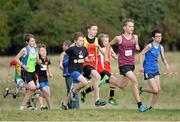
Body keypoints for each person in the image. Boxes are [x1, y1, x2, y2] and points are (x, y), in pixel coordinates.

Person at [105, 19, 149, 112]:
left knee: (122, 85)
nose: (131, 28)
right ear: (124, 27)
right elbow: (109, 44)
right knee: (134, 81)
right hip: (123, 64)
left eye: (133, 26)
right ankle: (140, 105)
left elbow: (136, 45)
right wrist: (106, 56)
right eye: (129, 26)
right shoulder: (119, 38)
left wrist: (137, 46)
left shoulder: (135, 37)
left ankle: (109, 79)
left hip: (131, 64)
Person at [80, 33, 119, 105]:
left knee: (103, 83)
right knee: (112, 80)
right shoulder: (99, 48)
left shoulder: (110, 48)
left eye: (108, 41)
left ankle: (84, 92)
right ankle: (111, 98)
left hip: (107, 69)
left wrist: (116, 56)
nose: (107, 43)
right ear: (101, 42)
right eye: (105, 41)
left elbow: (115, 57)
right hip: (100, 69)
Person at [139, 29, 170, 110]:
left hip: (156, 69)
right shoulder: (149, 46)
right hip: (148, 69)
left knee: (158, 90)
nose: (159, 38)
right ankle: (141, 89)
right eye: (157, 36)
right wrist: (141, 66)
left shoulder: (161, 47)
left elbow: (163, 58)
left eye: (160, 36)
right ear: (153, 38)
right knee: (155, 90)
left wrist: (166, 65)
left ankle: (151, 108)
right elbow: (141, 54)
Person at [61, 32, 91, 109]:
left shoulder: (84, 49)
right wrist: (61, 63)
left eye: (82, 40)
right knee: (84, 82)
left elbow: (86, 59)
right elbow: (63, 54)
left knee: (75, 90)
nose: (81, 42)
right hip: (72, 70)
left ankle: (64, 104)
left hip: (80, 70)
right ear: (75, 41)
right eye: (80, 40)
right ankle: (73, 92)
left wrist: (90, 59)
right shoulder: (72, 49)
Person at [81, 23, 107, 106]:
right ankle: (97, 100)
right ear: (88, 30)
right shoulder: (83, 40)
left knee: (81, 85)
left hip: (93, 66)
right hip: (84, 65)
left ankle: (68, 100)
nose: (95, 31)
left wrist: (99, 47)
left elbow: (104, 53)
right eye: (93, 29)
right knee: (98, 77)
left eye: (96, 29)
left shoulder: (97, 40)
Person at [15, 33, 39, 110]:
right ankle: (21, 84)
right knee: (32, 87)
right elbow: (16, 59)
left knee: (32, 89)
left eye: (34, 41)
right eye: (31, 41)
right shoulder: (24, 50)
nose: (33, 42)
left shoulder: (36, 49)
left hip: (33, 72)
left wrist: (41, 63)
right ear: (27, 42)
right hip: (26, 71)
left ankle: (22, 107)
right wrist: (23, 65)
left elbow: (37, 60)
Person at [59, 40, 79, 109]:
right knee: (69, 91)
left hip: (71, 74)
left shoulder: (71, 53)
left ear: (67, 46)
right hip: (66, 75)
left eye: (63, 45)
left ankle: (75, 107)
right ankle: (69, 106)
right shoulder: (64, 54)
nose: (62, 46)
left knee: (73, 90)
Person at [35, 43, 52, 109]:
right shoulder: (38, 59)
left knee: (48, 94)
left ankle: (49, 108)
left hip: (45, 79)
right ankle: (36, 97)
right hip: (39, 78)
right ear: (38, 52)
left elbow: (48, 66)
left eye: (44, 50)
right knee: (46, 93)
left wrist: (49, 73)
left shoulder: (47, 59)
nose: (44, 52)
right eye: (41, 50)